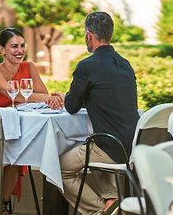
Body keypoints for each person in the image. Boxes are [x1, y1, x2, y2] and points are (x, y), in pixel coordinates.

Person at [56, 12, 140, 215]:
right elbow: (108, 95)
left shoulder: (87, 65)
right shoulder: (125, 64)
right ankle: (112, 200)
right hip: (133, 144)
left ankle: (98, 211)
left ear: (88, 35)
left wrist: (65, 96)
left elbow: (71, 106)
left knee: (57, 169)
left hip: (108, 146)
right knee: (93, 146)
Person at [0, 27, 63, 215]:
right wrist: (49, 99)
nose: (20, 50)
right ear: (2, 49)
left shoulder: (29, 66)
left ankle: (0, 206)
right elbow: (15, 95)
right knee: (2, 152)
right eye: (14, 46)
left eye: (22, 46)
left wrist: (48, 98)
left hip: (15, 129)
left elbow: (41, 94)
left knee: (20, 153)